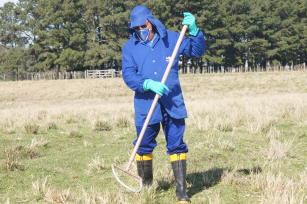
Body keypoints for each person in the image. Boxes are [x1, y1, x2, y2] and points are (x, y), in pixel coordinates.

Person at [122, 5, 205, 203]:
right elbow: (128, 75)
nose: (139, 30)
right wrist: (146, 84)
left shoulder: (173, 39)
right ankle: (147, 188)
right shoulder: (129, 47)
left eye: (142, 26)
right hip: (145, 105)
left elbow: (197, 51)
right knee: (143, 146)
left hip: (172, 103)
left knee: (177, 145)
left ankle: (182, 192)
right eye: (135, 28)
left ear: (150, 22)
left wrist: (195, 32)